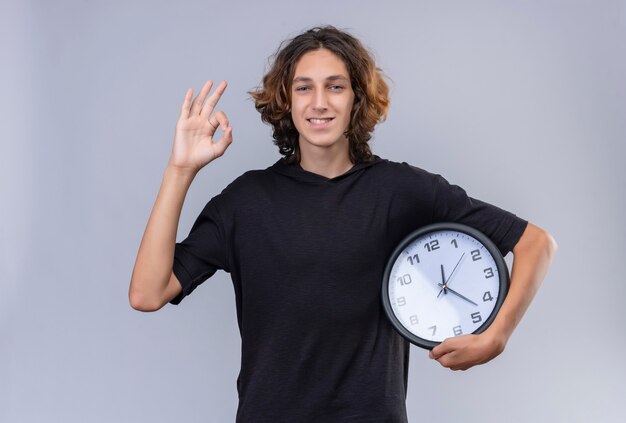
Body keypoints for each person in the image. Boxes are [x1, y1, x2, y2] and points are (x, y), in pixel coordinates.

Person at [129, 26, 557, 422]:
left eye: (335, 86)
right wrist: (179, 170)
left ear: (357, 98)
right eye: (304, 88)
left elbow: (536, 243)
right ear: (286, 99)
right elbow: (148, 293)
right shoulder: (245, 201)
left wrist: (497, 335)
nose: (319, 102)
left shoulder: (401, 190)